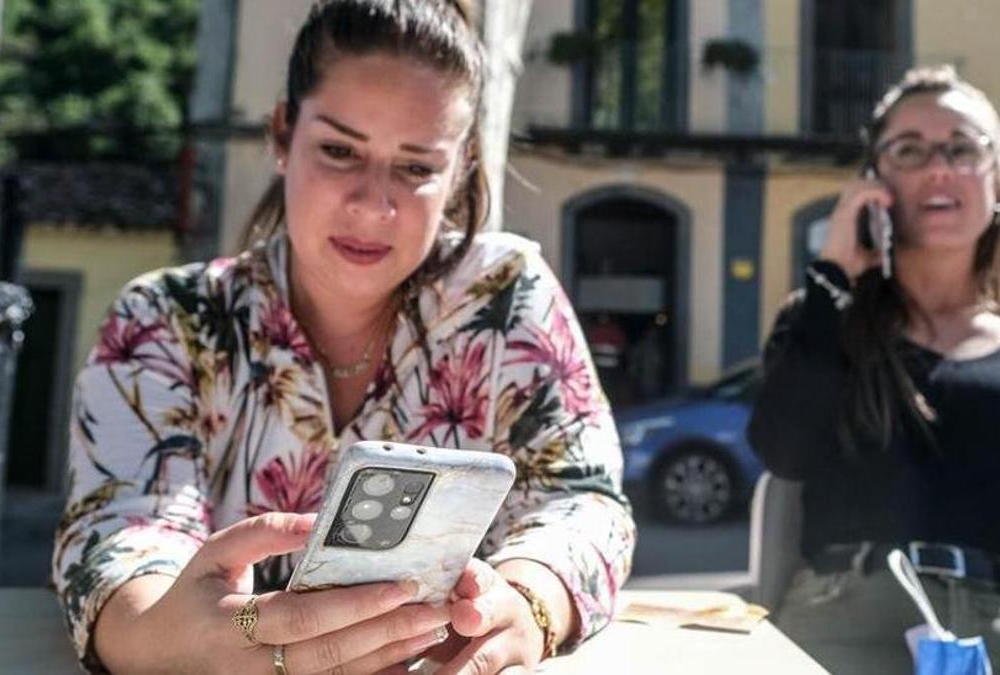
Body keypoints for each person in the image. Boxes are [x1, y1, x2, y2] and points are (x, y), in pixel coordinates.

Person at [51, 1, 635, 673]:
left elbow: (583, 499)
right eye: (338, 150)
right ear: (281, 133)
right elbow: (120, 525)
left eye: (416, 167)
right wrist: (176, 632)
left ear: (461, 170)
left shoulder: (507, 294)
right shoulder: (165, 318)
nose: (371, 203)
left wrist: (529, 601)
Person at [748, 65, 1000, 675]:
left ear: (999, 182)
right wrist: (832, 277)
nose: (939, 167)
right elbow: (784, 451)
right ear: (873, 181)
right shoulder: (824, 318)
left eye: (962, 148)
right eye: (909, 150)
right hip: (840, 624)